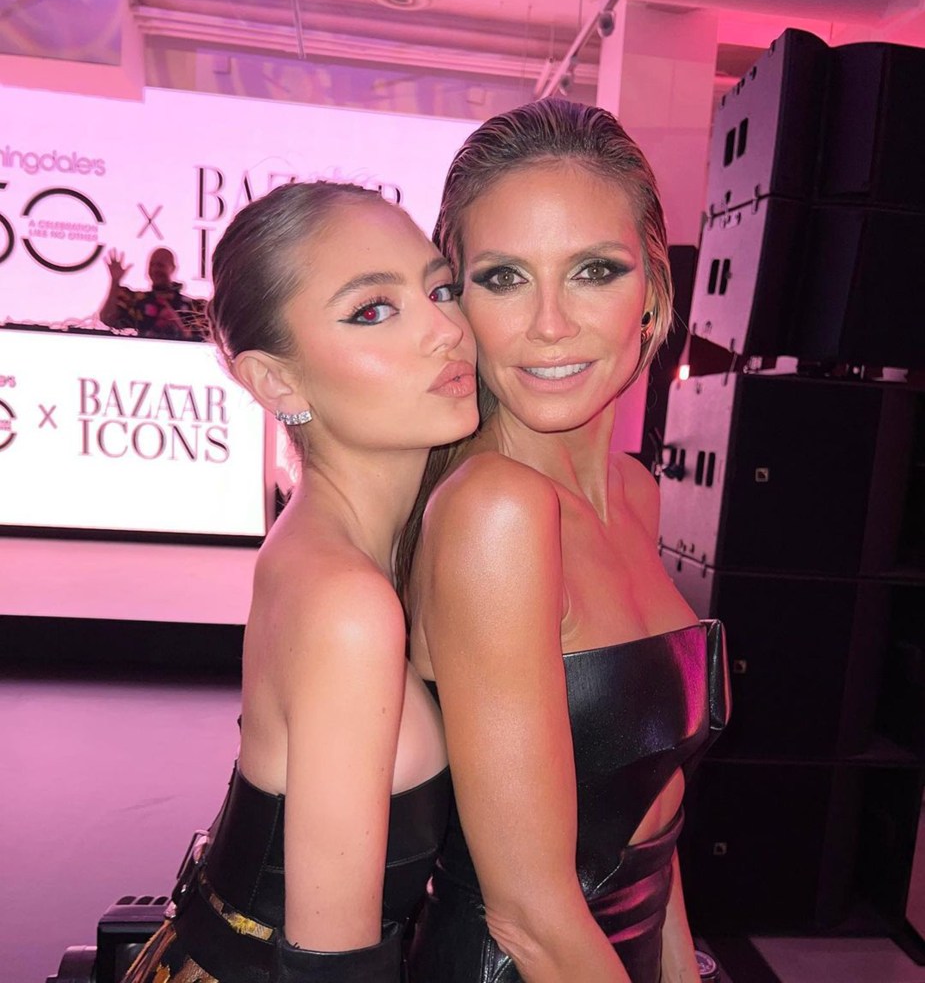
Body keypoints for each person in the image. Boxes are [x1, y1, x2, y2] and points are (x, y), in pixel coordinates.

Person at [401, 99, 730, 983]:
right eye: (503, 277)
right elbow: (529, 913)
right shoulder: (493, 512)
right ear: (456, 302)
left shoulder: (632, 492)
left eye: (593, 270)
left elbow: (651, 829)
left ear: (653, 292)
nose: (549, 323)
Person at [121, 181, 479, 983]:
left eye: (439, 288)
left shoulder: (340, 550)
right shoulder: (345, 603)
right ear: (277, 384)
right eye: (372, 310)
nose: (445, 329)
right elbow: (330, 970)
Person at [99, 246, 206, 340]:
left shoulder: (193, 307)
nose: (155, 269)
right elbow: (107, 318)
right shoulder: (137, 301)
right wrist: (115, 281)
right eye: (151, 265)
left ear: (173, 268)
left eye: (160, 265)